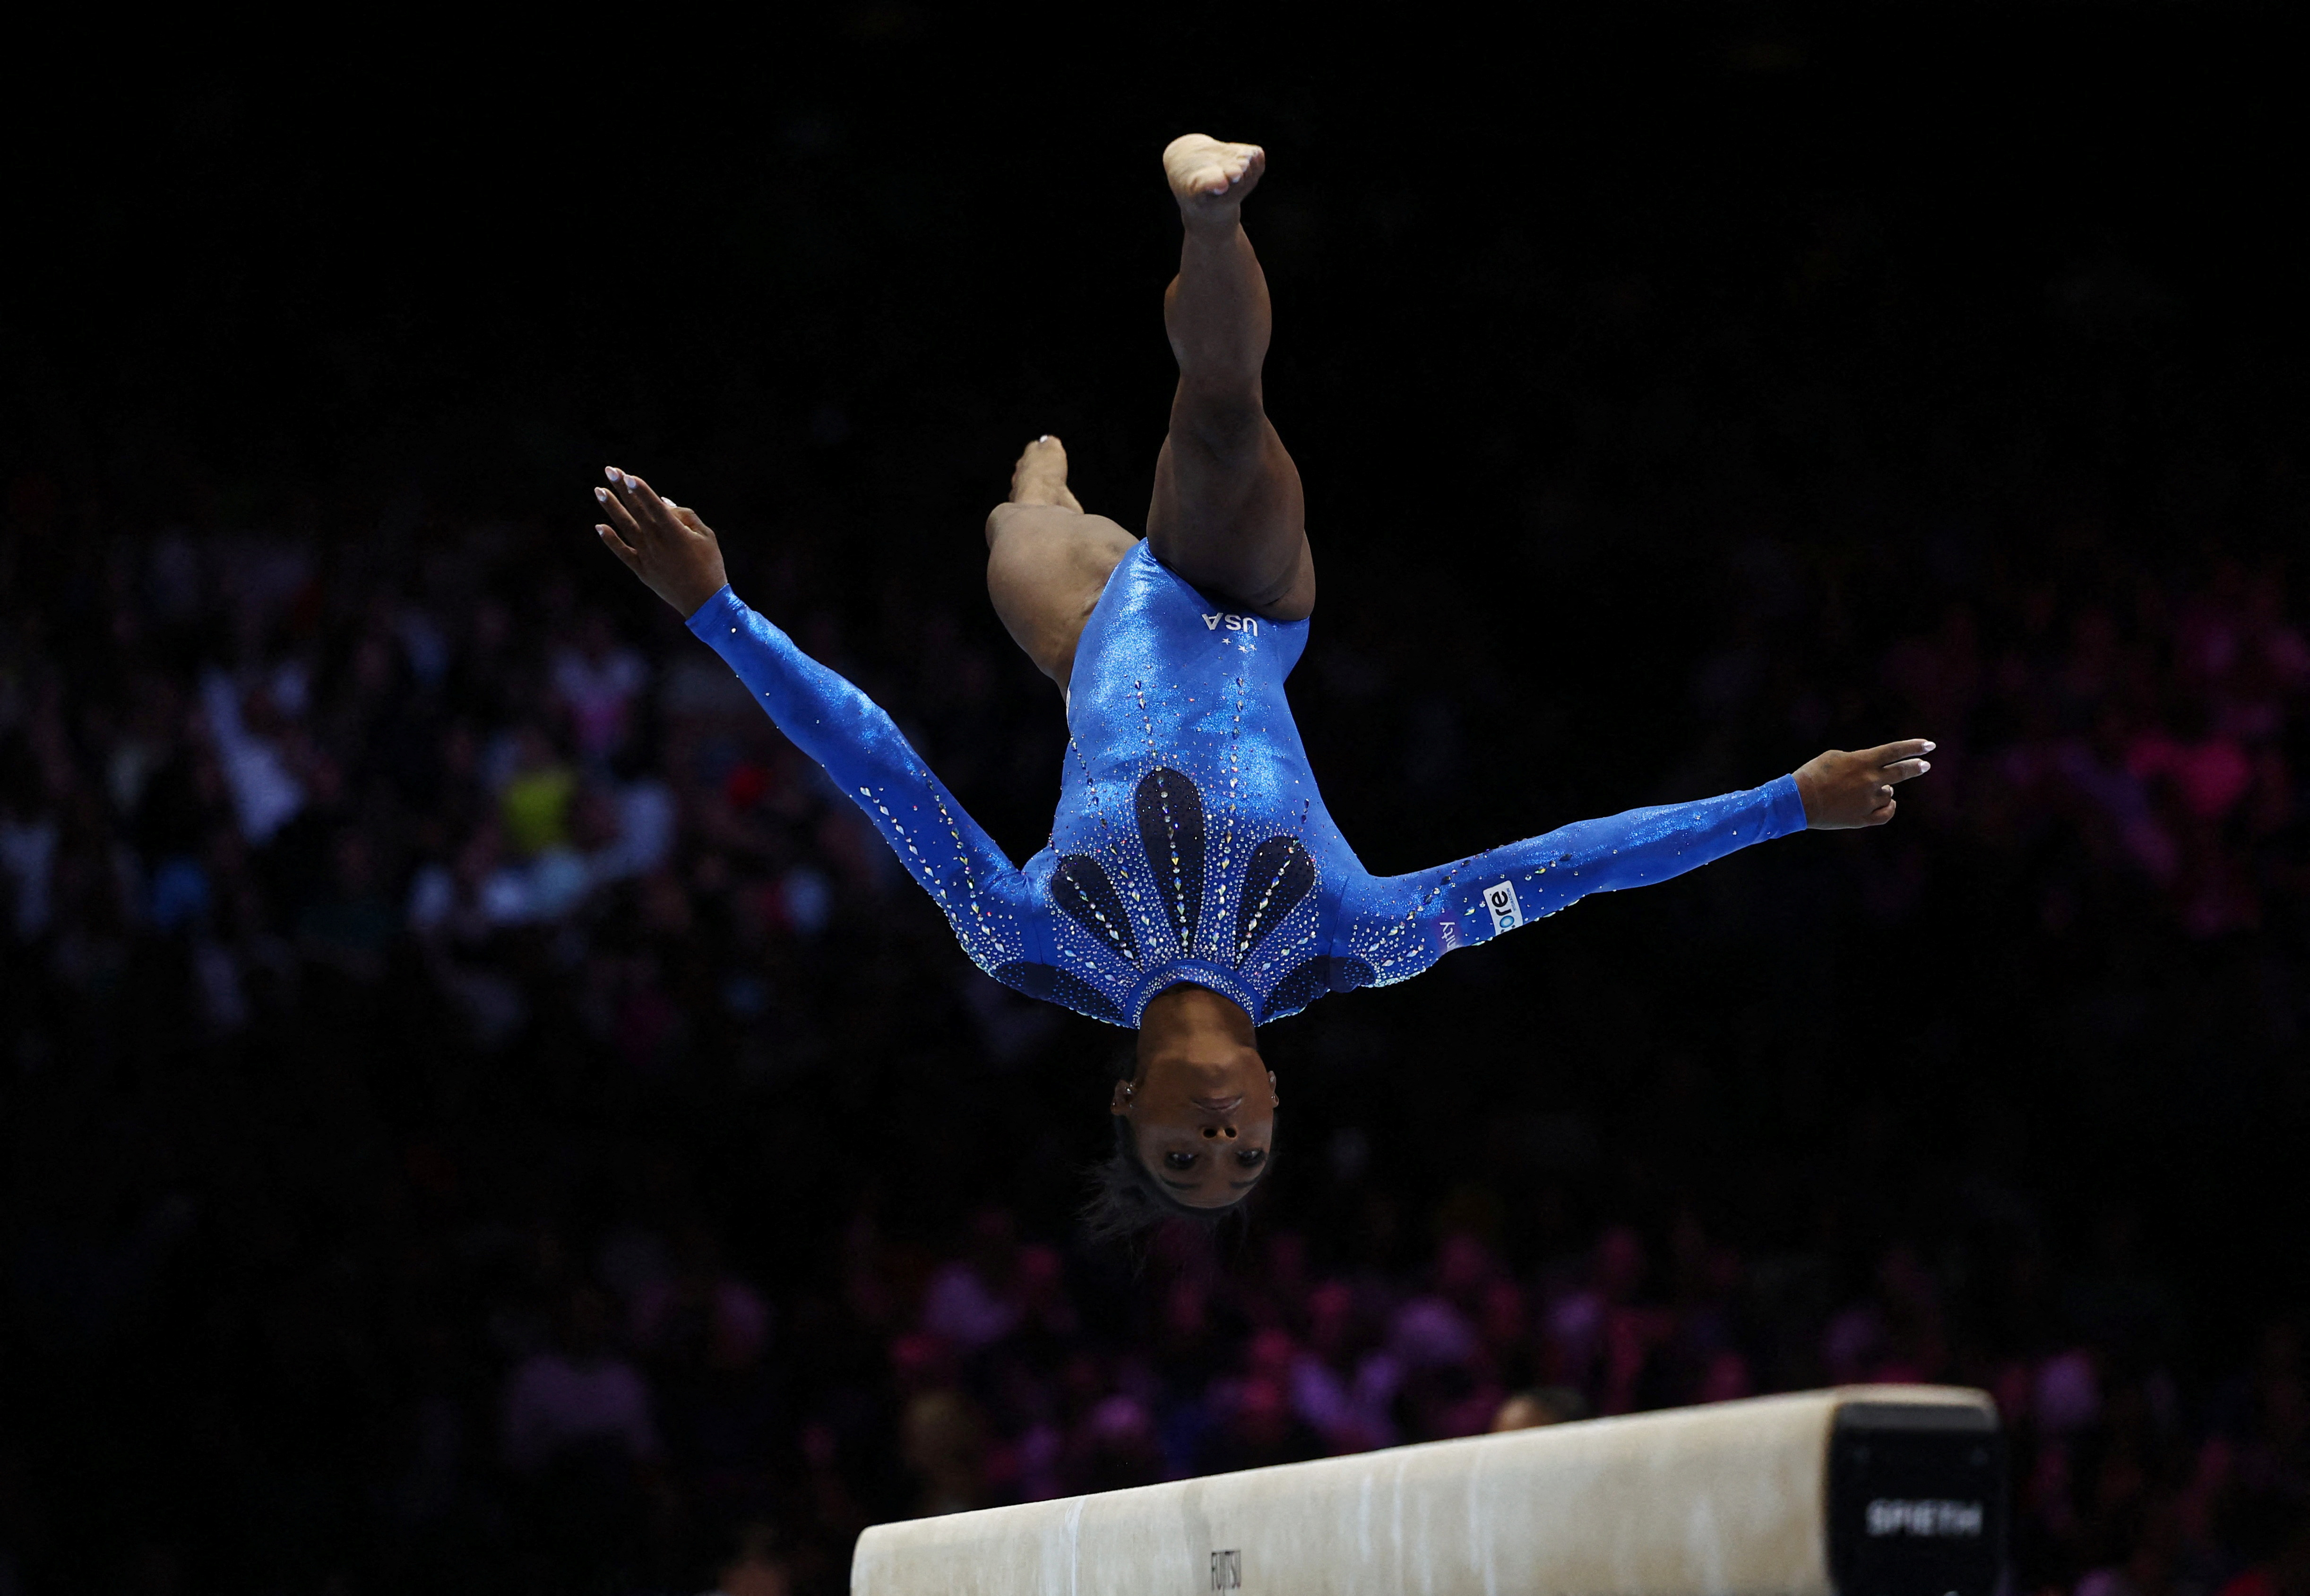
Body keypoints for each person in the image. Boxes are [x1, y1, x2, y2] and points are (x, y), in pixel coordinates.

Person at [591, 135, 1932, 1235]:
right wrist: (1780, 804)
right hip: (1236, 603)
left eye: (1187, 1159)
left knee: (1012, 539)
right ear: (1279, 1095)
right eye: (1243, 1156)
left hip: (1091, 650)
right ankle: (1211, 210)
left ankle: (1048, 495)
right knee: (1220, 422)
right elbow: (1570, 863)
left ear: (1129, 1107)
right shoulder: (1355, 938)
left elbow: (879, 764)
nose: (1221, 1144)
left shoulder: (1030, 939)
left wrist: (718, 610)